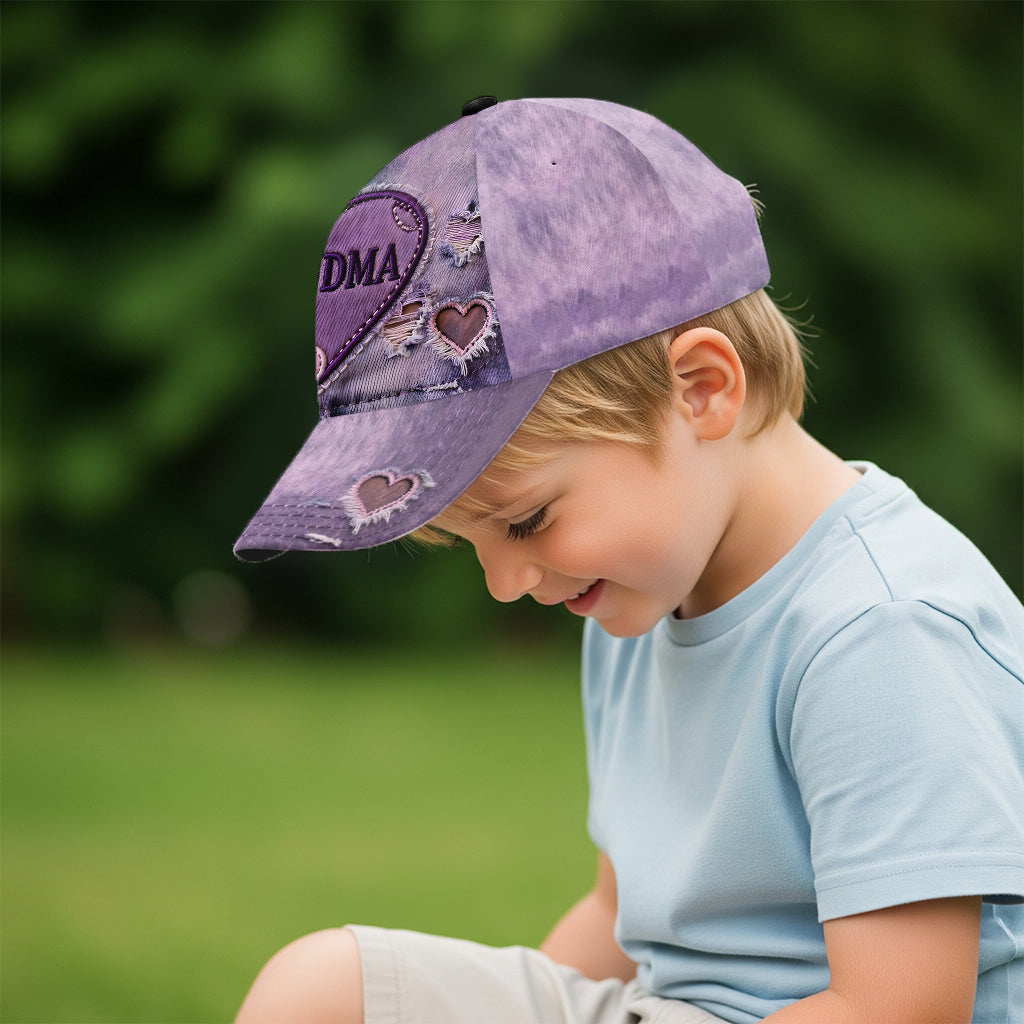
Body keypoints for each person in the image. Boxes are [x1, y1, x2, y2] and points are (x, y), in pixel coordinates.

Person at [232, 97, 1024, 1023]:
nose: (504, 584)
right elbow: (620, 918)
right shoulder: (634, 595)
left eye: (525, 523)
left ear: (701, 390)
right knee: (322, 990)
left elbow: (899, 1008)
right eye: (472, 543)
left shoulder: (878, 628)